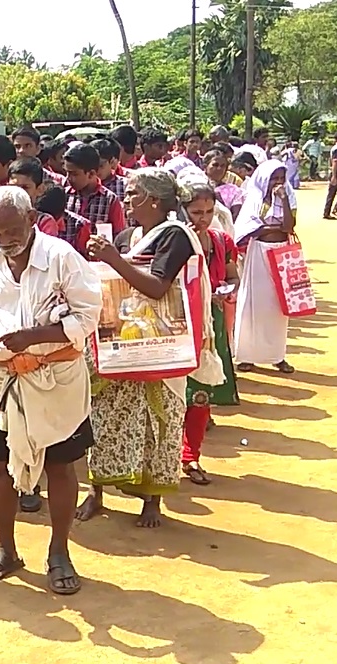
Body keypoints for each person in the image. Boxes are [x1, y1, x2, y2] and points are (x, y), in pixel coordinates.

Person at [0, 186, 100, 596]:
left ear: (32, 218)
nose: (5, 239)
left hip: (57, 383)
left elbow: (90, 315)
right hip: (6, 382)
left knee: (60, 467)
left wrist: (33, 338)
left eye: (12, 229)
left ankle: (59, 552)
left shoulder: (61, 257)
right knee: (1, 468)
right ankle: (5, 550)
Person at [76, 168, 214, 524]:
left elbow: (156, 287)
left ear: (153, 200)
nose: (126, 198)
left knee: (159, 418)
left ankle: (152, 500)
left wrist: (112, 260)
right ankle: (97, 490)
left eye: (133, 193)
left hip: (163, 344)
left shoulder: (175, 237)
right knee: (105, 414)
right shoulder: (126, 236)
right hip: (122, 342)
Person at [178, 181, 240, 485]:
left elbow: (232, 276)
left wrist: (223, 292)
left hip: (208, 325)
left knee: (201, 395)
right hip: (178, 324)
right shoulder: (174, 241)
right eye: (195, 211)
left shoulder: (221, 241)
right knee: (174, 395)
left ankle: (191, 457)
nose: (202, 218)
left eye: (207, 212)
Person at [232, 160, 298, 374]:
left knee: (278, 306)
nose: (277, 183)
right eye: (273, 179)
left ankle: (277, 356)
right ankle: (248, 356)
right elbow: (252, 229)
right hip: (258, 252)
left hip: (281, 252)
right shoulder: (254, 198)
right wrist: (271, 226)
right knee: (253, 305)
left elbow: (288, 226)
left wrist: (284, 199)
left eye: (281, 178)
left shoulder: (288, 196)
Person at [64, 144, 127, 236]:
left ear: (91, 174)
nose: (69, 178)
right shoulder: (65, 196)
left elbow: (119, 235)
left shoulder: (110, 200)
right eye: (67, 173)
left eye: (74, 174)